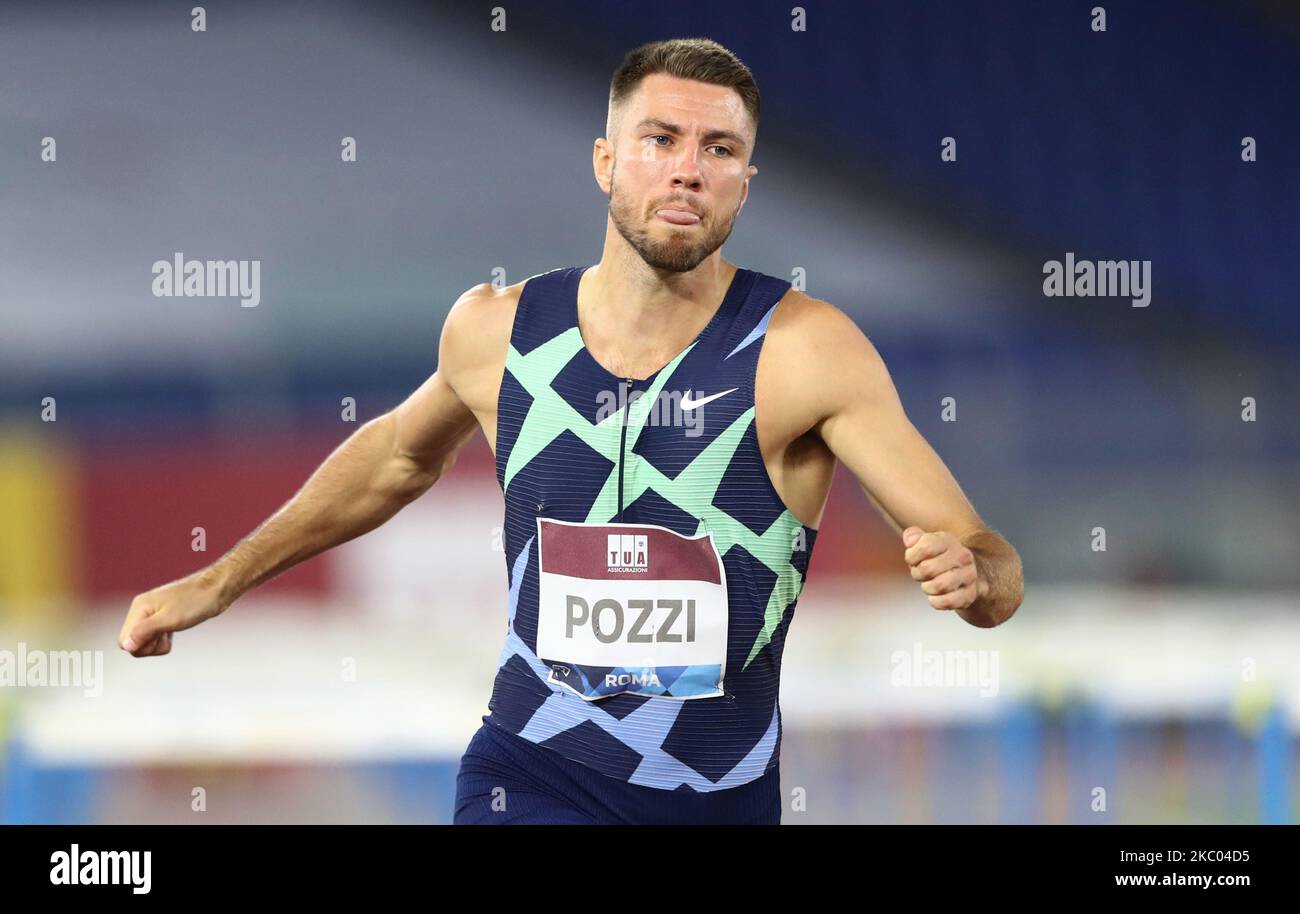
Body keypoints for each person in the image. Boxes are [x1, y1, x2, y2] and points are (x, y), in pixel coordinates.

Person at [118, 37, 1024, 824]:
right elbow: (397, 456)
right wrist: (220, 581)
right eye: (660, 141)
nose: (688, 170)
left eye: (719, 149)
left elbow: (992, 567)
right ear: (605, 160)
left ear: (745, 179)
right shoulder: (499, 330)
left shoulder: (807, 353)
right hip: (531, 770)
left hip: (718, 797)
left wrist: (972, 575)